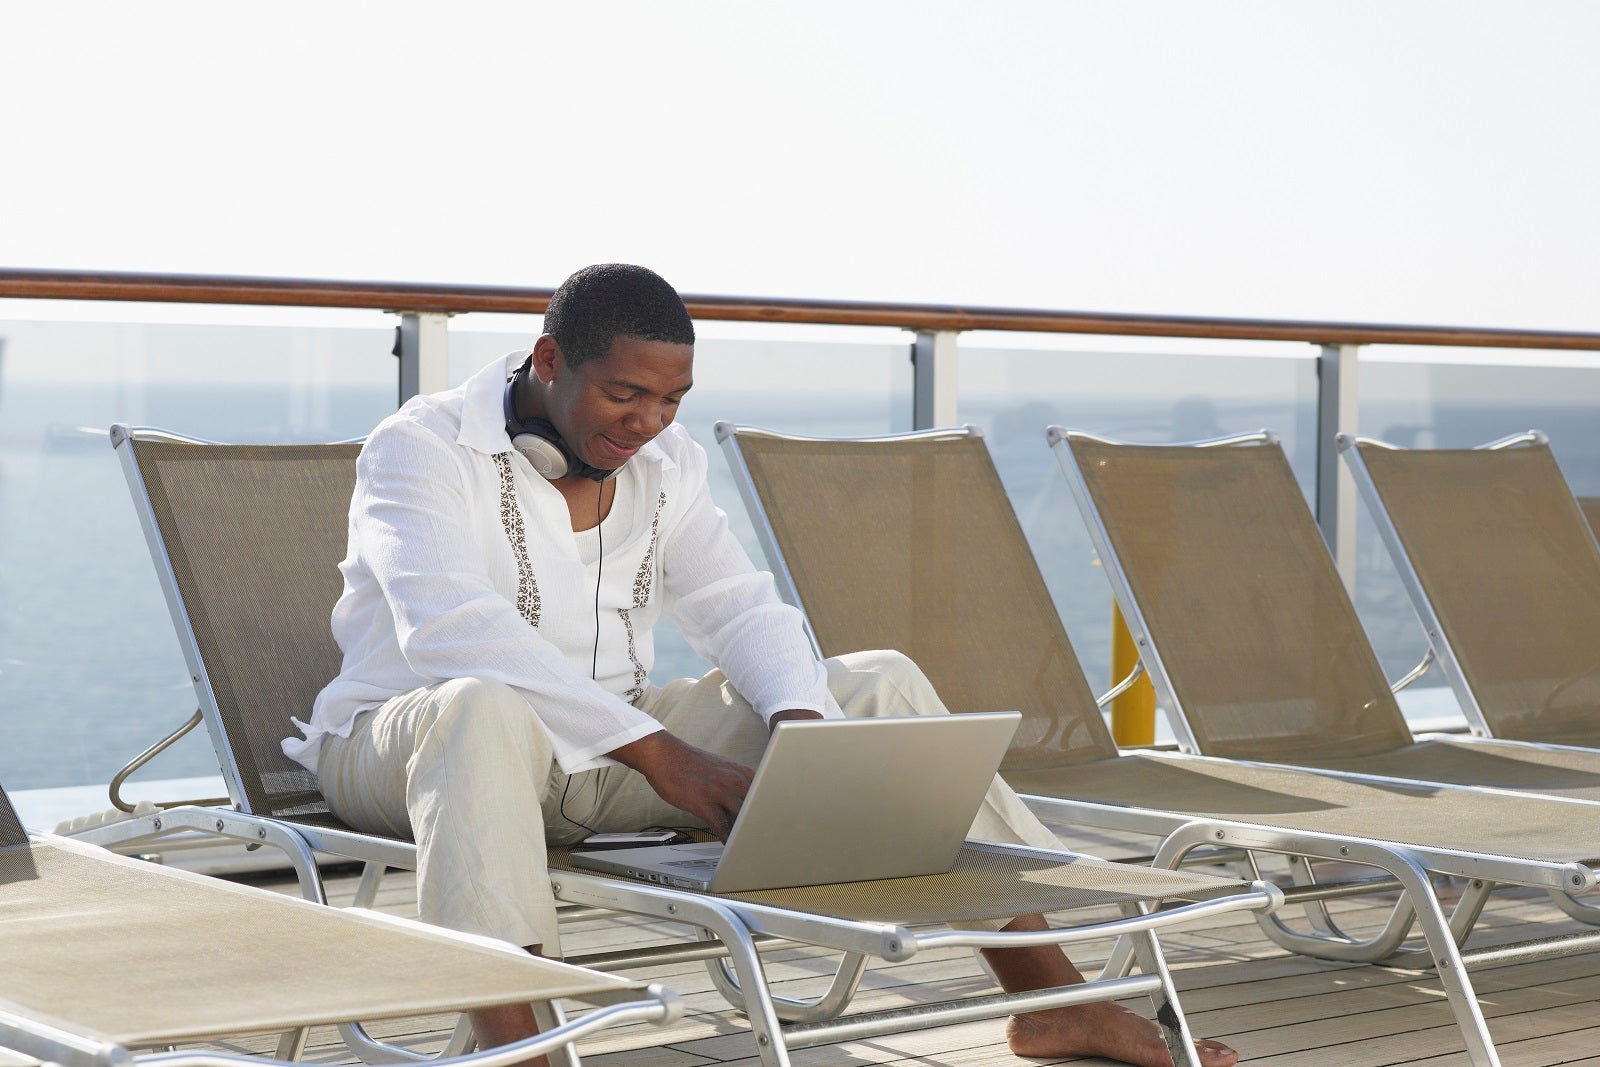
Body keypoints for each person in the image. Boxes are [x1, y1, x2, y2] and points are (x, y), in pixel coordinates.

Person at [282, 263, 1238, 1067]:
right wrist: (662, 754)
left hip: (601, 761)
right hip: (409, 748)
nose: (648, 421)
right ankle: (520, 1045)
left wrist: (805, 732)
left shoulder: (668, 463)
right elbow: (448, 627)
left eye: (670, 399)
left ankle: (1050, 994)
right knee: (479, 703)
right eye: (625, 393)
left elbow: (739, 605)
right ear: (547, 362)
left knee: (879, 682)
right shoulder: (420, 447)